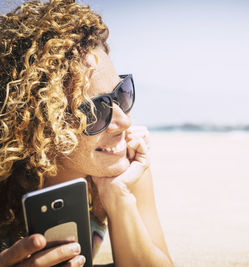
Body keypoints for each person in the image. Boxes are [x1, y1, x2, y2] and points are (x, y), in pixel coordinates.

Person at [0, 0, 173, 266]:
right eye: (93, 111)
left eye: (121, 94)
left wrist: (118, 198)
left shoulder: (123, 163)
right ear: (41, 122)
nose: (124, 121)